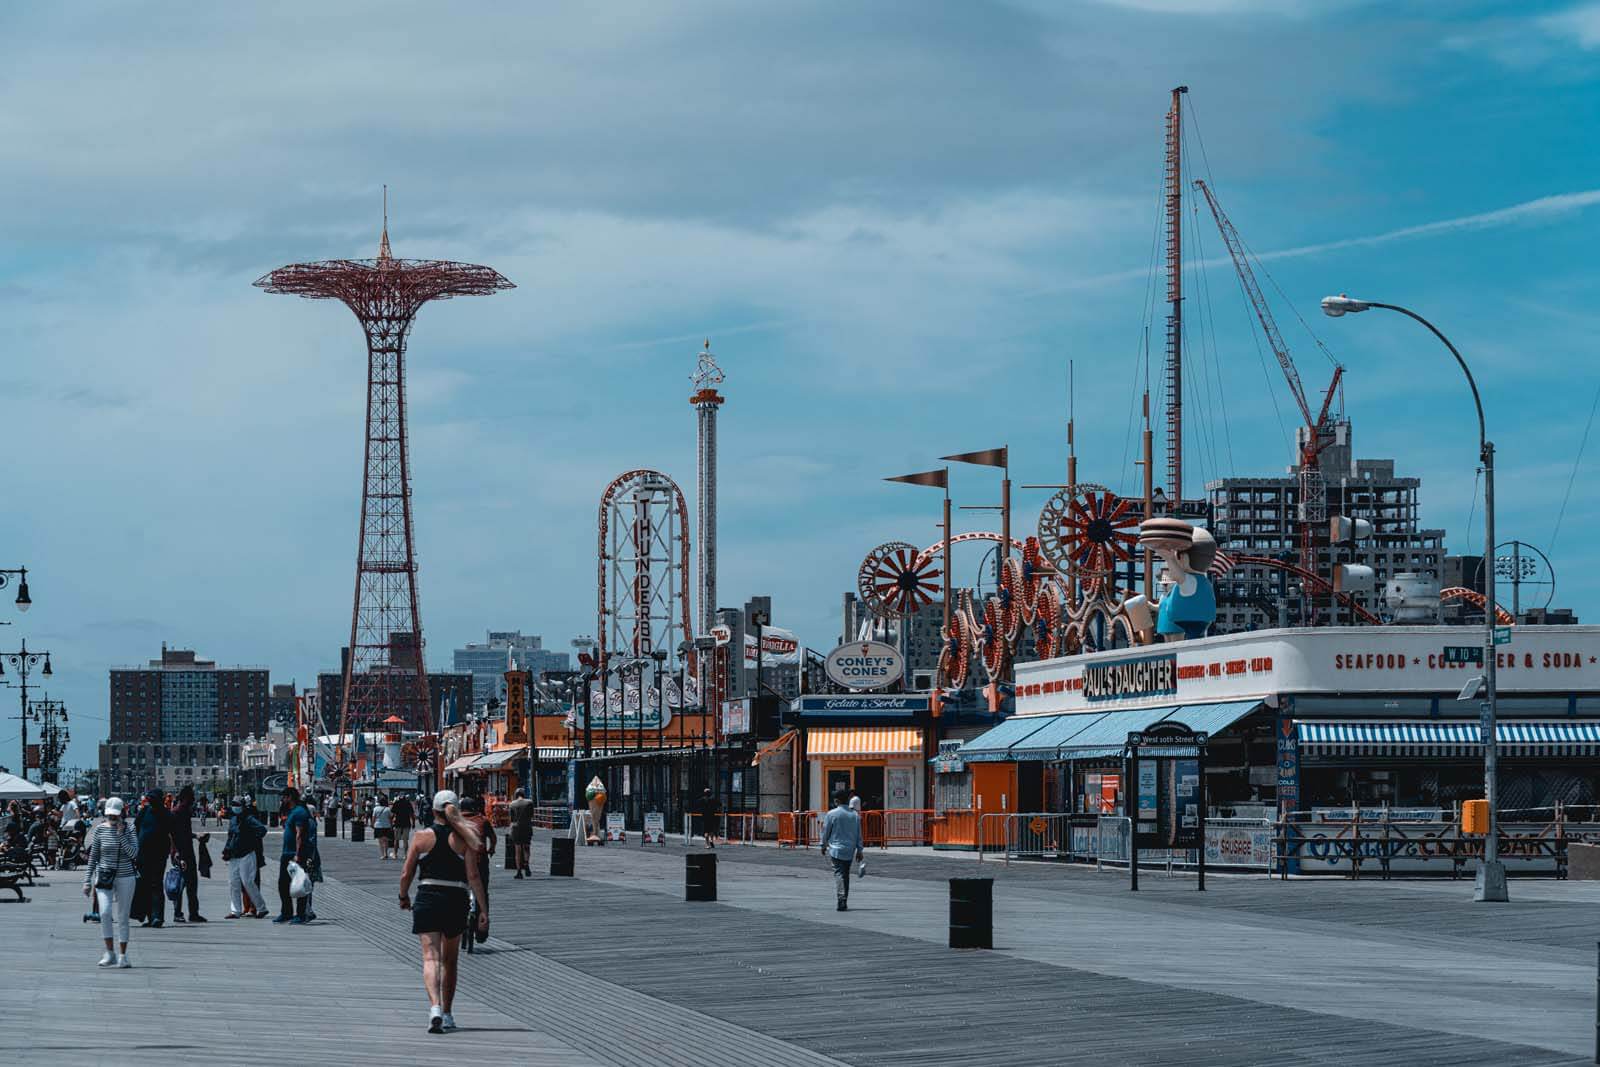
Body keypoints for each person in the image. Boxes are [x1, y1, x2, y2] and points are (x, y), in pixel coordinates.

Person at [399, 790, 488, 1034]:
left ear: (433, 811)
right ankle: (448, 1014)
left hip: (427, 897)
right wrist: (483, 909)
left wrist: (403, 896)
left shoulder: (421, 837)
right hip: (455, 899)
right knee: (450, 960)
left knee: (430, 958)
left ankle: (435, 1008)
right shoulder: (465, 838)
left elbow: (406, 873)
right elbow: (473, 876)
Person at [84, 797, 139, 968]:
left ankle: (123, 955)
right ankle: (109, 952)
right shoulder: (100, 829)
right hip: (104, 876)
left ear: (122, 813)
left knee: (123, 916)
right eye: (110, 815)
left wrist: (121, 835)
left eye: (115, 816)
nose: (112, 819)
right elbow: (93, 856)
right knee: (105, 913)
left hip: (126, 876)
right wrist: (87, 880)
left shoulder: (130, 828)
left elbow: (134, 853)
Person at [818, 789, 864, 912]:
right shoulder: (855, 815)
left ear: (836, 801)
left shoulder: (832, 814)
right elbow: (859, 834)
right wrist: (860, 850)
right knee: (845, 875)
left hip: (836, 850)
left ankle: (841, 899)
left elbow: (825, 830)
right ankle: (844, 899)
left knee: (839, 874)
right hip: (849, 850)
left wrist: (823, 845)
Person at [130, 789, 171, 928]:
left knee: (156, 885)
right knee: (144, 885)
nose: (151, 801)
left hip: (159, 855)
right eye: (150, 799)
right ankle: (148, 916)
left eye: (154, 799)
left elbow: (174, 833)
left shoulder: (166, 813)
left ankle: (157, 917)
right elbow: (135, 827)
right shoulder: (144, 811)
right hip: (142, 855)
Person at [275, 787, 315, 924]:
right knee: (283, 884)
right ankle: (286, 912)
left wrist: (298, 854)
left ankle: (301, 914)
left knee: (299, 884)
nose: (282, 800)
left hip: (296, 854)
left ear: (290, 797)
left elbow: (300, 835)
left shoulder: (299, 812)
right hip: (286, 853)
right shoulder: (292, 812)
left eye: (284, 797)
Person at [224, 798, 269, 919]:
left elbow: (262, 830)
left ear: (243, 806)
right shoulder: (233, 819)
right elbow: (230, 836)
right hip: (234, 855)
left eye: (237, 804)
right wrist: (226, 850)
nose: (235, 806)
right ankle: (235, 911)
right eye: (233, 804)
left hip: (246, 854)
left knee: (248, 882)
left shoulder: (249, 819)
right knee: (233, 882)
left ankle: (261, 908)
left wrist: (251, 840)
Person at [459, 796, 495, 936]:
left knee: (458, 891)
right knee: (483, 892)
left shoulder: (455, 822)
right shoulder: (483, 820)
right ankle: (482, 929)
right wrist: (491, 849)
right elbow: (493, 838)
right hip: (480, 861)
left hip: (460, 862)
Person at [168, 785, 205, 922]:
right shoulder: (177, 812)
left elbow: (184, 833)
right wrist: (177, 853)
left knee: (191, 883)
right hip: (180, 852)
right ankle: (178, 913)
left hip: (187, 850)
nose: (194, 800)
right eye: (191, 798)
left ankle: (193, 913)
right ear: (185, 798)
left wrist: (196, 836)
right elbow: (172, 834)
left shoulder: (184, 811)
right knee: (180, 883)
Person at [507, 788, 534, 878]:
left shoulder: (512, 804)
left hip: (516, 828)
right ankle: (526, 864)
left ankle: (519, 871)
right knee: (527, 846)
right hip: (526, 826)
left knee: (517, 849)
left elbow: (511, 819)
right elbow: (531, 815)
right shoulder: (529, 802)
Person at [390, 792, 414, 856]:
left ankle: (395, 854)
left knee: (396, 839)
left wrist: (391, 822)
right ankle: (405, 855)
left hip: (398, 823)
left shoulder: (396, 803)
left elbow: (392, 814)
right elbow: (412, 814)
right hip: (406, 823)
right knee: (405, 840)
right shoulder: (408, 803)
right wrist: (413, 823)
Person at [372, 795, 394, 860]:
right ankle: (385, 853)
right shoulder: (388, 809)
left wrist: (372, 824)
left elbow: (373, 818)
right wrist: (391, 826)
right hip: (386, 826)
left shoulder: (375, 809)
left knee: (380, 841)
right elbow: (390, 818)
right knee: (386, 841)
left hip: (378, 826)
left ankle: (382, 855)